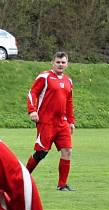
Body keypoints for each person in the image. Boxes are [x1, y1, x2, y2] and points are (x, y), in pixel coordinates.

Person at [25, 52, 75, 192]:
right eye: (58, 62)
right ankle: (23, 177)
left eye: (63, 62)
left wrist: (71, 121)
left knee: (67, 151)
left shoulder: (68, 81)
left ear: (67, 64)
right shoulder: (45, 77)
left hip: (62, 123)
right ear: (53, 63)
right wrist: (32, 110)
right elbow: (32, 93)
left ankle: (62, 184)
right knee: (41, 153)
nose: (60, 64)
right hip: (46, 122)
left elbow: (69, 102)